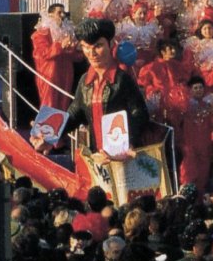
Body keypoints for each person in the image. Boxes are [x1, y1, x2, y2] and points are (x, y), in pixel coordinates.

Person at [33, 17, 148, 161]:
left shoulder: (122, 79)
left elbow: (140, 113)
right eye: (86, 47)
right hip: (98, 157)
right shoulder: (85, 82)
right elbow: (75, 113)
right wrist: (48, 134)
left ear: (110, 44)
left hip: (122, 156)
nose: (91, 53)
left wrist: (129, 141)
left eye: (98, 46)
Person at [31, 2, 82, 112]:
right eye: (59, 12)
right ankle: (45, 127)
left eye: (64, 12)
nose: (63, 15)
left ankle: (62, 128)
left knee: (64, 103)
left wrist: (75, 48)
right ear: (50, 15)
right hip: (49, 73)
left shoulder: (67, 32)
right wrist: (60, 45)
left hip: (66, 72)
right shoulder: (41, 33)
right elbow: (41, 54)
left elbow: (75, 57)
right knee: (49, 103)